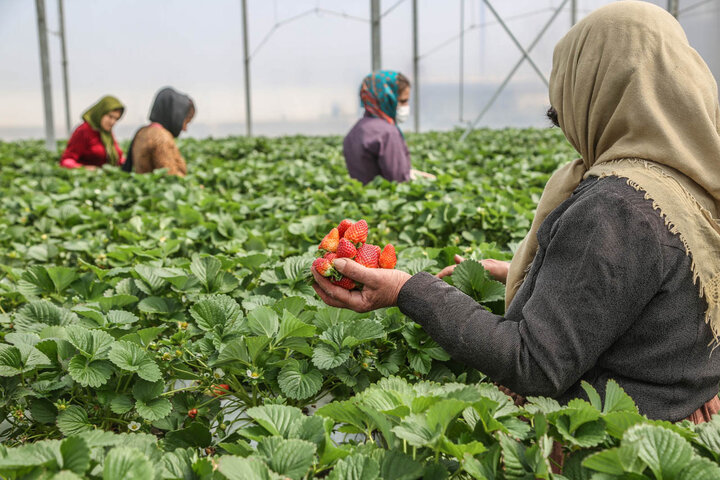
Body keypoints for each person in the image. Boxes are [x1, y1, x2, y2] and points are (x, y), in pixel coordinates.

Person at [313, 1, 720, 428]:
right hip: (677, 431)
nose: (564, 125)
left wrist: (407, 290)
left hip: (601, 445)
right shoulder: (693, 187)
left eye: (562, 108)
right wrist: (536, 273)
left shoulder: (616, 207)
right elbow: (660, 292)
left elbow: (533, 363)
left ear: (598, 88)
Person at [343, 71, 434, 184]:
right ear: (387, 98)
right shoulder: (387, 133)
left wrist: (411, 173)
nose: (405, 106)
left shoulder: (356, 129)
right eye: (402, 101)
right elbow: (398, 180)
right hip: (383, 197)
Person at [123, 87, 194, 177]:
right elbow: (171, 177)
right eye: (186, 121)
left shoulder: (142, 132)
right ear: (175, 114)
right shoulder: (161, 137)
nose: (185, 128)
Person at [60, 96, 125, 170]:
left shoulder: (106, 133)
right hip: (89, 179)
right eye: (110, 117)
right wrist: (84, 169)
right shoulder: (83, 131)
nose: (113, 122)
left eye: (116, 119)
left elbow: (117, 158)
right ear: (100, 113)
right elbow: (66, 161)